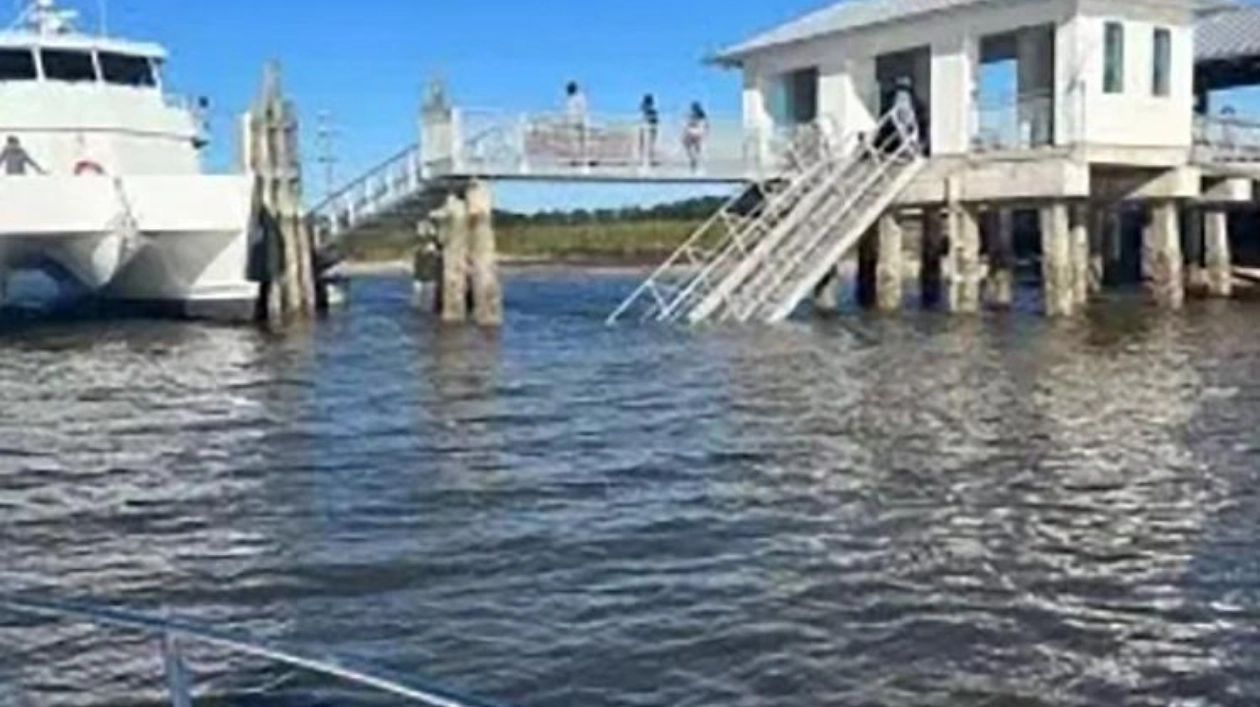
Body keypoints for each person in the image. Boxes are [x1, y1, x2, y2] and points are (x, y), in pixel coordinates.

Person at [564, 81, 588, 164]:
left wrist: (581, 121)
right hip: (572, 123)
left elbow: (582, 110)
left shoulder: (580, 97)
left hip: (579, 123)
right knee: (573, 142)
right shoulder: (570, 99)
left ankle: (582, 159)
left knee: (581, 142)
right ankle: (574, 159)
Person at [683, 101, 708, 171]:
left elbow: (688, 125)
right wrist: (706, 134)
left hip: (692, 132)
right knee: (697, 147)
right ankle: (696, 160)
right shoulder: (703, 115)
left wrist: (685, 131)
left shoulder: (692, 115)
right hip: (700, 133)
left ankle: (692, 159)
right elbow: (706, 126)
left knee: (687, 145)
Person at [640, 93, 660, 166]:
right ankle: (646, 160)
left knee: (649, 146)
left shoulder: (653, 112)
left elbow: (655, 122)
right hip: (645, 130)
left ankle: (649, 160)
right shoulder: (645, 110)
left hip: (651, 130)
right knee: (644, 146)